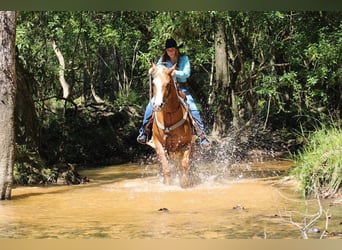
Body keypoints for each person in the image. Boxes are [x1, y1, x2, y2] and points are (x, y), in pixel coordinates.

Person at [137, 38, 210, 148]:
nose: (170, 52)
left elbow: (186, 74)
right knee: (150, 106)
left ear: (176, 50)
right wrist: (152, 71)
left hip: (180, 88)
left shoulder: (184, 59)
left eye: (172, 49)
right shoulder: (162, 60)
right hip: (165, 90)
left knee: (193, 107)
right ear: (166, 51)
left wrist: (175, 72)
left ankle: (201, 135)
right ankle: (144, 132)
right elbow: (156, 74)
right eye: (168, 50)